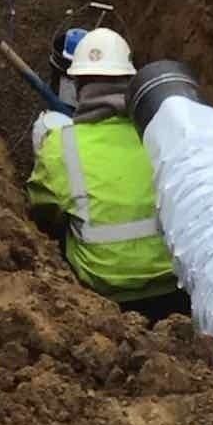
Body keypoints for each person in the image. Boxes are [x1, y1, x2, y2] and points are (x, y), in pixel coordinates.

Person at [27, 28, 188, 322]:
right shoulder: (161, 133)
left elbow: (42, 212)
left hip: (104, 293)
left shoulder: (60, 146)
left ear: (77, 86)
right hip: (175, 284)